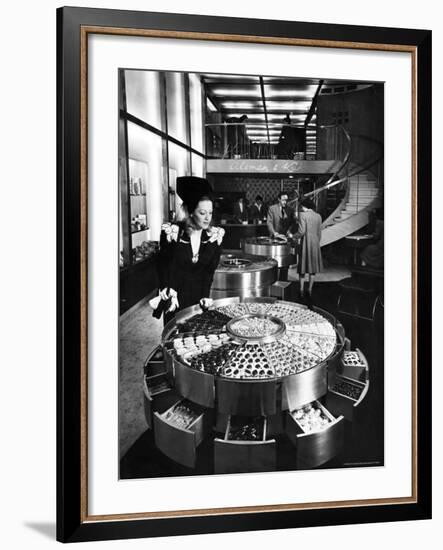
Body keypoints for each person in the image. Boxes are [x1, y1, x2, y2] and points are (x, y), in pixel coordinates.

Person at [156, 176, 225, 321]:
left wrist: (206, 296)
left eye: (210, 212)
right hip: (175, 300)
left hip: (198, 301)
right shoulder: (172, 232)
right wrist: (165, 289)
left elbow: (208, 273)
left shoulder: (214, 237)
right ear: (191, 212)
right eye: (202, 213)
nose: (207, 218)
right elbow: (162, 266)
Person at [296, 197, 323, 298]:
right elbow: (319, 233)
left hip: (305, 243)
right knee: (313, 269)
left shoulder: (302, 214)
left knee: (302, 268)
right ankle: (310, 290)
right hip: (315, 243)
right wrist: (315, 242)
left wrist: (293, 236)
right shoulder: (318, 216)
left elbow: (301, 231)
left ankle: (301, 290)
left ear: (303, 206)